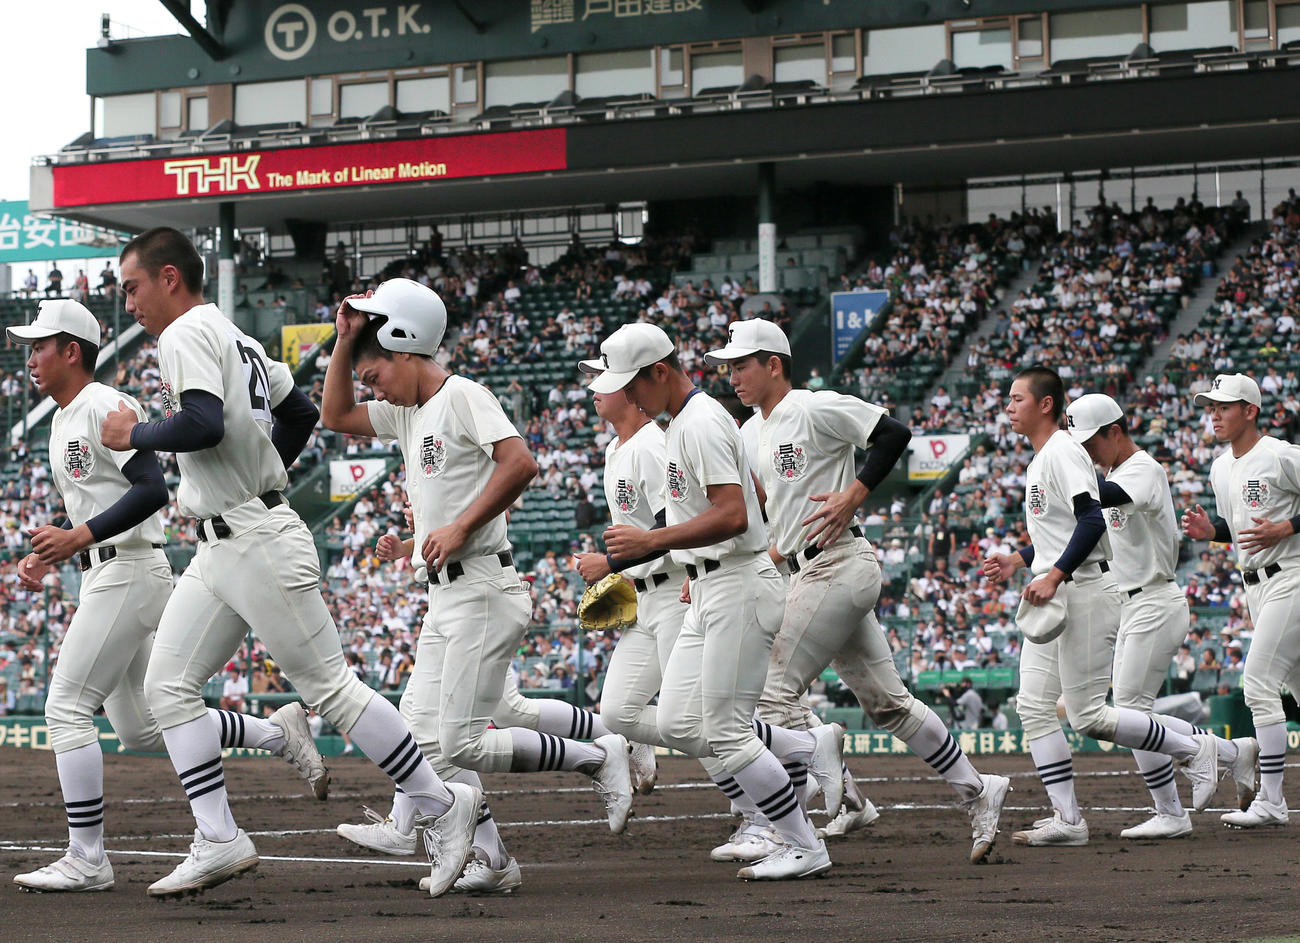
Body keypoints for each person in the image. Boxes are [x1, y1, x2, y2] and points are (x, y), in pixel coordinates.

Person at [102, 229, 479, 899]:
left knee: (331, 687)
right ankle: (219, 836)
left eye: (130, 285)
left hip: (252, 534)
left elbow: (202, 423)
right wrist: (264, 468)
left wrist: (134, 434)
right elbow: (300, 409)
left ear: (167, 277)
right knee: (168, 688)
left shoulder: (186, 332)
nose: (126, 300)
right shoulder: (233, 332)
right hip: (224, 540)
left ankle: (442, 805)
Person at [320, 278, 633, 895]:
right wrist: (343, 342)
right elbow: (334, 416)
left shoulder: (462, 394)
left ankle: (598, 756)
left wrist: (462, 526)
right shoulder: (409, 410)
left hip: (483, 589)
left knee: (459, 743)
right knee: (417, 736)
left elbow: (521, 461)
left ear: (408, 350)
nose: (370, 383)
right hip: (447, 594)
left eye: (376, 369)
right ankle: (481, 857)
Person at [7, 300, 320, 893]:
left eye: (40, 345)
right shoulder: (62, 418)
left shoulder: (106, 404)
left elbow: (150, 489)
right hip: (110, 570)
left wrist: (78, 537)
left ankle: (87, 857)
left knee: (66, 708)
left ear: (72, 350)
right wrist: (58, 546)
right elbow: (96, 501)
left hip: (130, 569)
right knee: (142, 731)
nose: (31, 357)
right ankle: (278, 734)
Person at [707, 318, 1009, 864]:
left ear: (774, 363)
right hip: (804, 568)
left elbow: (893, 433)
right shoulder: (750, 431)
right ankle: (976, 789)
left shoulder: (813, 406)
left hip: (840, 563)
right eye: (727, 365)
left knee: (773, 690)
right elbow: (777, 517)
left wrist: (853, 494)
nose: (731, 375)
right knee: (888, 704)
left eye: (741, 363)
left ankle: (786, 830)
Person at [597, 322, 839, 881]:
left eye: (631, 385)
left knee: (725, 730)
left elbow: (733, 514)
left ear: (660, 372)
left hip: (736, 582)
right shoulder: (683, 422)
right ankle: (803, 748)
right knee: (683, 724)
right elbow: (750, 495)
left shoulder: (699, 421)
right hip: (707, 583)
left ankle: (802, 843)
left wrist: (652, 541)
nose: (627, 397)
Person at [983, 366, 1217, 848]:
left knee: (1088, 716)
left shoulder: (1064, 450)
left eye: (1017, 398)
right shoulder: (1044, 457)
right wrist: (1020, 559)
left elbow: (1091, 519)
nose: (1008, 406)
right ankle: (1067, 820)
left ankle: (1195, 748)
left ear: (1045, 404)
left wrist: (1053, 573)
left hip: (1086, 588)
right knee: (1033, 707)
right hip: (1062, 587)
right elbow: (1066, 529)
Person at [1066, 393, 1256, 840]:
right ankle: (1228, 752)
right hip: (1131, 604)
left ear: (1115, 432)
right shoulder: (1111, 470)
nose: (1086, 453)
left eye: (1090, 442)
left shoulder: (1143, 469)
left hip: (1155, 599)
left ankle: (1178, 799)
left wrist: (1060, 473)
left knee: (1128, 712)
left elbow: (1103, 496)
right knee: (1131, 713)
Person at [1182, 373, 1300, 827]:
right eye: (1211, 406)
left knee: (1259, 684)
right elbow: (1242, 527)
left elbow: (1275, 526)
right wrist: (1214, 534)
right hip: (1256, 585)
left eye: (1224, 406)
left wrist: (1287, 527)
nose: (1214, 414)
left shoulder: (1280, 454)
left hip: (1290, 576)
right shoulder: (1219, 466)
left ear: (1250, 411)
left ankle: (1271, 800)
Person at [570, 382, 687, 795]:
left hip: (678, 591)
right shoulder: (615, 448)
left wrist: (609, 564)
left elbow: (671, 524)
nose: (592, 390)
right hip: (644, 594)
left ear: (630, 390)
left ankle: (758, 809)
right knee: (618, 712)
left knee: (694, 716)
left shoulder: (650, 445)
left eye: (603, 383)